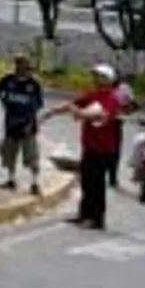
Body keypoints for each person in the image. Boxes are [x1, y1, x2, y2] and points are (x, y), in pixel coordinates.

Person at [44, 63, 121, 231]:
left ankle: (97, 219)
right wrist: (51, 112)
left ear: (108, 79)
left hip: (103, 149)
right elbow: (74, 105)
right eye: (94, 75)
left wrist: (79, 113)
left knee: (96, 184)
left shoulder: (111, 99)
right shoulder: (93, 95)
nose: (94, 79)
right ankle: (84, 214)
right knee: (86, 181)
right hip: (90, 146)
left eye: (98, 76)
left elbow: (100, 114)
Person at [0, 56, 45, 195]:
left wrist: (30, 121)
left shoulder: (34, 84)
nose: (23, 69)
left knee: (31, 155)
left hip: (28, 124)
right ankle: (11, 179)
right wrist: (4, 101)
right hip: (11, 122)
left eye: (26, 67)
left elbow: (39, 104)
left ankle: (34, 183)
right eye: (20, 66)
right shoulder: (8, 80)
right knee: (9, 153)